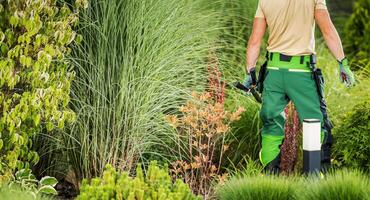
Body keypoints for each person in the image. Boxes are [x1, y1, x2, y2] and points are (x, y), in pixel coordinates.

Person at [243, 0, 355, 173]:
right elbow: (328, 31)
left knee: (271, 124)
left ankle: (269, 180)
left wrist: (250, 73)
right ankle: (316, 179)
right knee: (316, 124)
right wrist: (343, 62)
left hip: (273, 72)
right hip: (301, 74)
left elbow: (254, 41)